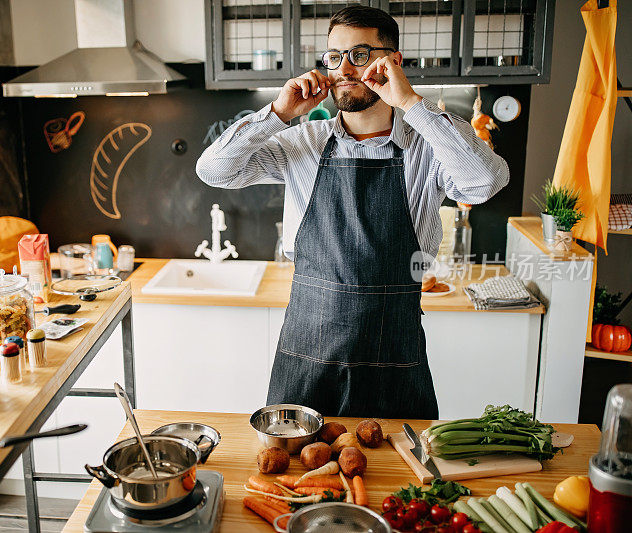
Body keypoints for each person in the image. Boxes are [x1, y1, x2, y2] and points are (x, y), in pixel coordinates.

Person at [195, 5, 509, 418]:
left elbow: (485, 182)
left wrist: (412, 103)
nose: (343, 68)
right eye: (333, 57)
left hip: (394, 353)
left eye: (359, 55)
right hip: (306, 351)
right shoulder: (301, 142)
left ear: (392, 61)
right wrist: (278, 114)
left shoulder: (428, 147)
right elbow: (214, 170)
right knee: (294, 474)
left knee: (397, 478)